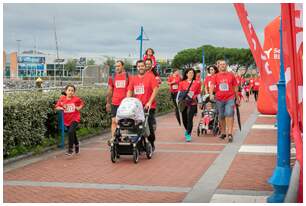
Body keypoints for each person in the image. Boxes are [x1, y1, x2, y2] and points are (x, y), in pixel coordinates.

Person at [127, 60, 159, 151]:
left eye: (142, 66)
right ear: (136, 68)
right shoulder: (133, 78)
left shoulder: (151, 77)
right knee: (137, 125)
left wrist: (149, 102)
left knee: (148, 125)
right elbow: (130, 90)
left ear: (145, 67)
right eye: (139, 66)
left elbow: (155, 89)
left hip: (149, 106)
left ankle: (151, 142)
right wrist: (127, 101)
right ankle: (139, 144)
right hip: (137, 106)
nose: (140, 68)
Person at [209, 60, 240, 143]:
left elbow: (235, 86)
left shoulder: (231, 75)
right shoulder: (216, 76)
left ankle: (230, 133)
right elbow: (212, 85)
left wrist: (237, 97)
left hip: (230, 98)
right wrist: (211, 94)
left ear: (226, 66)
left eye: (224, 64)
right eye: (221, 64)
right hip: (219, 99)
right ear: (218, 66)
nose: (222, 66)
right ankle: (223, 132)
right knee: (221, 116)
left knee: (229, 113)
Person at [106, 60, 130, 146]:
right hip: (115, 102)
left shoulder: (128, 76)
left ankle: (125, 137)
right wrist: (108, 102)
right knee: (114, 121)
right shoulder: (112, 77)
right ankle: (113, 138)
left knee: (126, 121)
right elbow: (109, 90)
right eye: (116, 66)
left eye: (119, 66)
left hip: (125, 103)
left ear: (123, 66)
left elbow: (131, 89)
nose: (117, 68)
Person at [55, 84, 84, 155]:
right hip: (67, 120)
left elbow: (82, 103)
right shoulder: (62, 99)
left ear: (74, 92)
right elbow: (57, 107)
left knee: (70, 132)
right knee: (73, 133)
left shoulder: (76, 99)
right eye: (69, 90)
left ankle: (70, 149)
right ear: (66, 91)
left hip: (75, 118)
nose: (70, 92)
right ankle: (76, 144)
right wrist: (61, 108)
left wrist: (79, 108)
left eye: (72, 91)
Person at [177, 68, 201, 142]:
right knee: (184, 119)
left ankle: (188, 133)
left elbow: (198, 94)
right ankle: (187, 130)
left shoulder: (197, 83)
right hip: (184, 103)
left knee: (189, 118)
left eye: (192, 73)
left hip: (192, 103)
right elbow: (179, 94)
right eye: (189, 73)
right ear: (186, 74)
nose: (191, 74)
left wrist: (200, 102)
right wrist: (177, 102)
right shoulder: (182, 83)